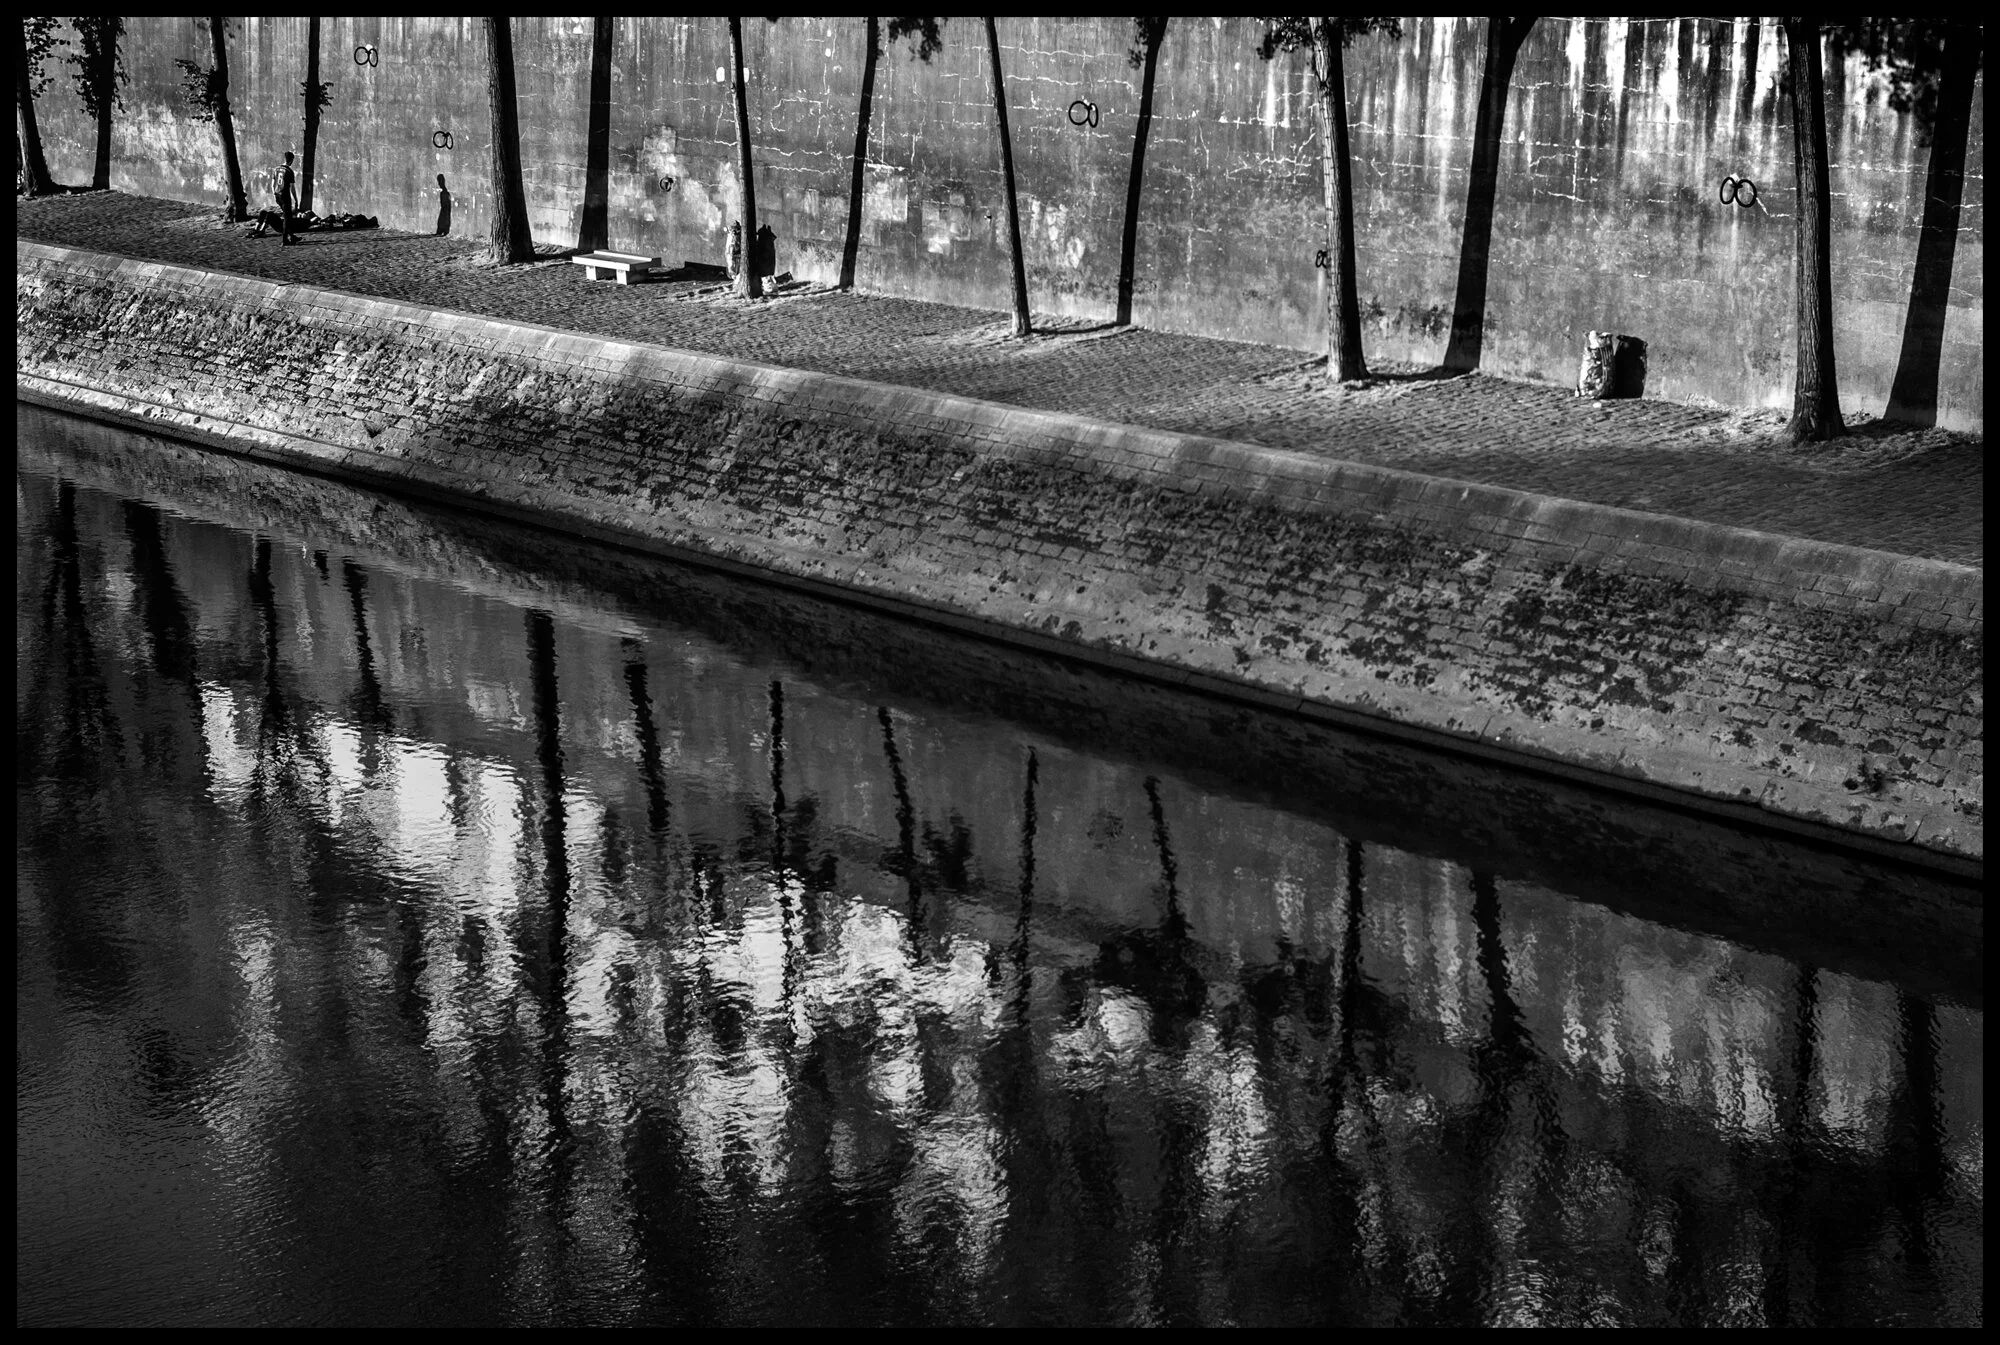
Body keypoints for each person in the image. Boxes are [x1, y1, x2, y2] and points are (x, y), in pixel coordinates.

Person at [275, 150, 298, 246]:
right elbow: (292, 188)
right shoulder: (289, 171)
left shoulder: (277, 169)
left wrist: (275, 193)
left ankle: (292, 236)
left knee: (286, 215)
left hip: (277, 195)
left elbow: (273, 183)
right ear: (291, 160)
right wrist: (296, 200)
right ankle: (285, 240)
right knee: (287, 218)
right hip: (285, 195)